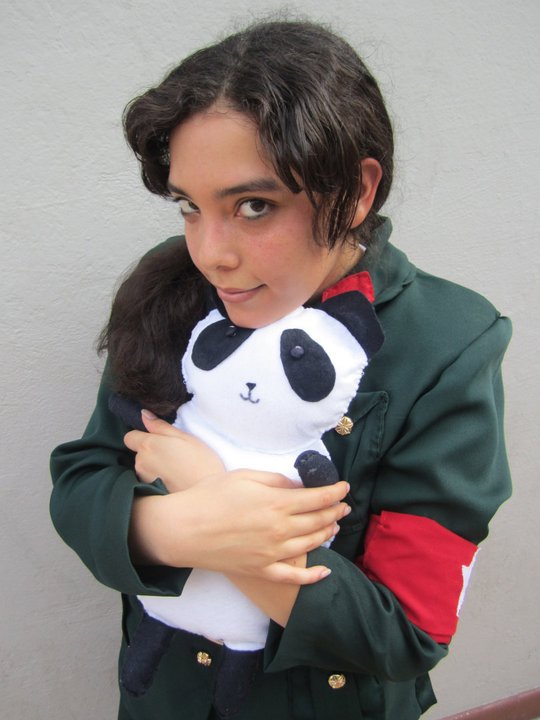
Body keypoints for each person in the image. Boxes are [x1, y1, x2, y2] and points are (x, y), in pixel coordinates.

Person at [49, 19, 512, 720]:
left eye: (254, 207)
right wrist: (181, 527)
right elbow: (85, 478)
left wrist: (224, 506)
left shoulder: (447, 341)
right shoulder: (171, 289)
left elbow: (406, 633)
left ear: (356, 191)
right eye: (190, 206)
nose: (212, 253)